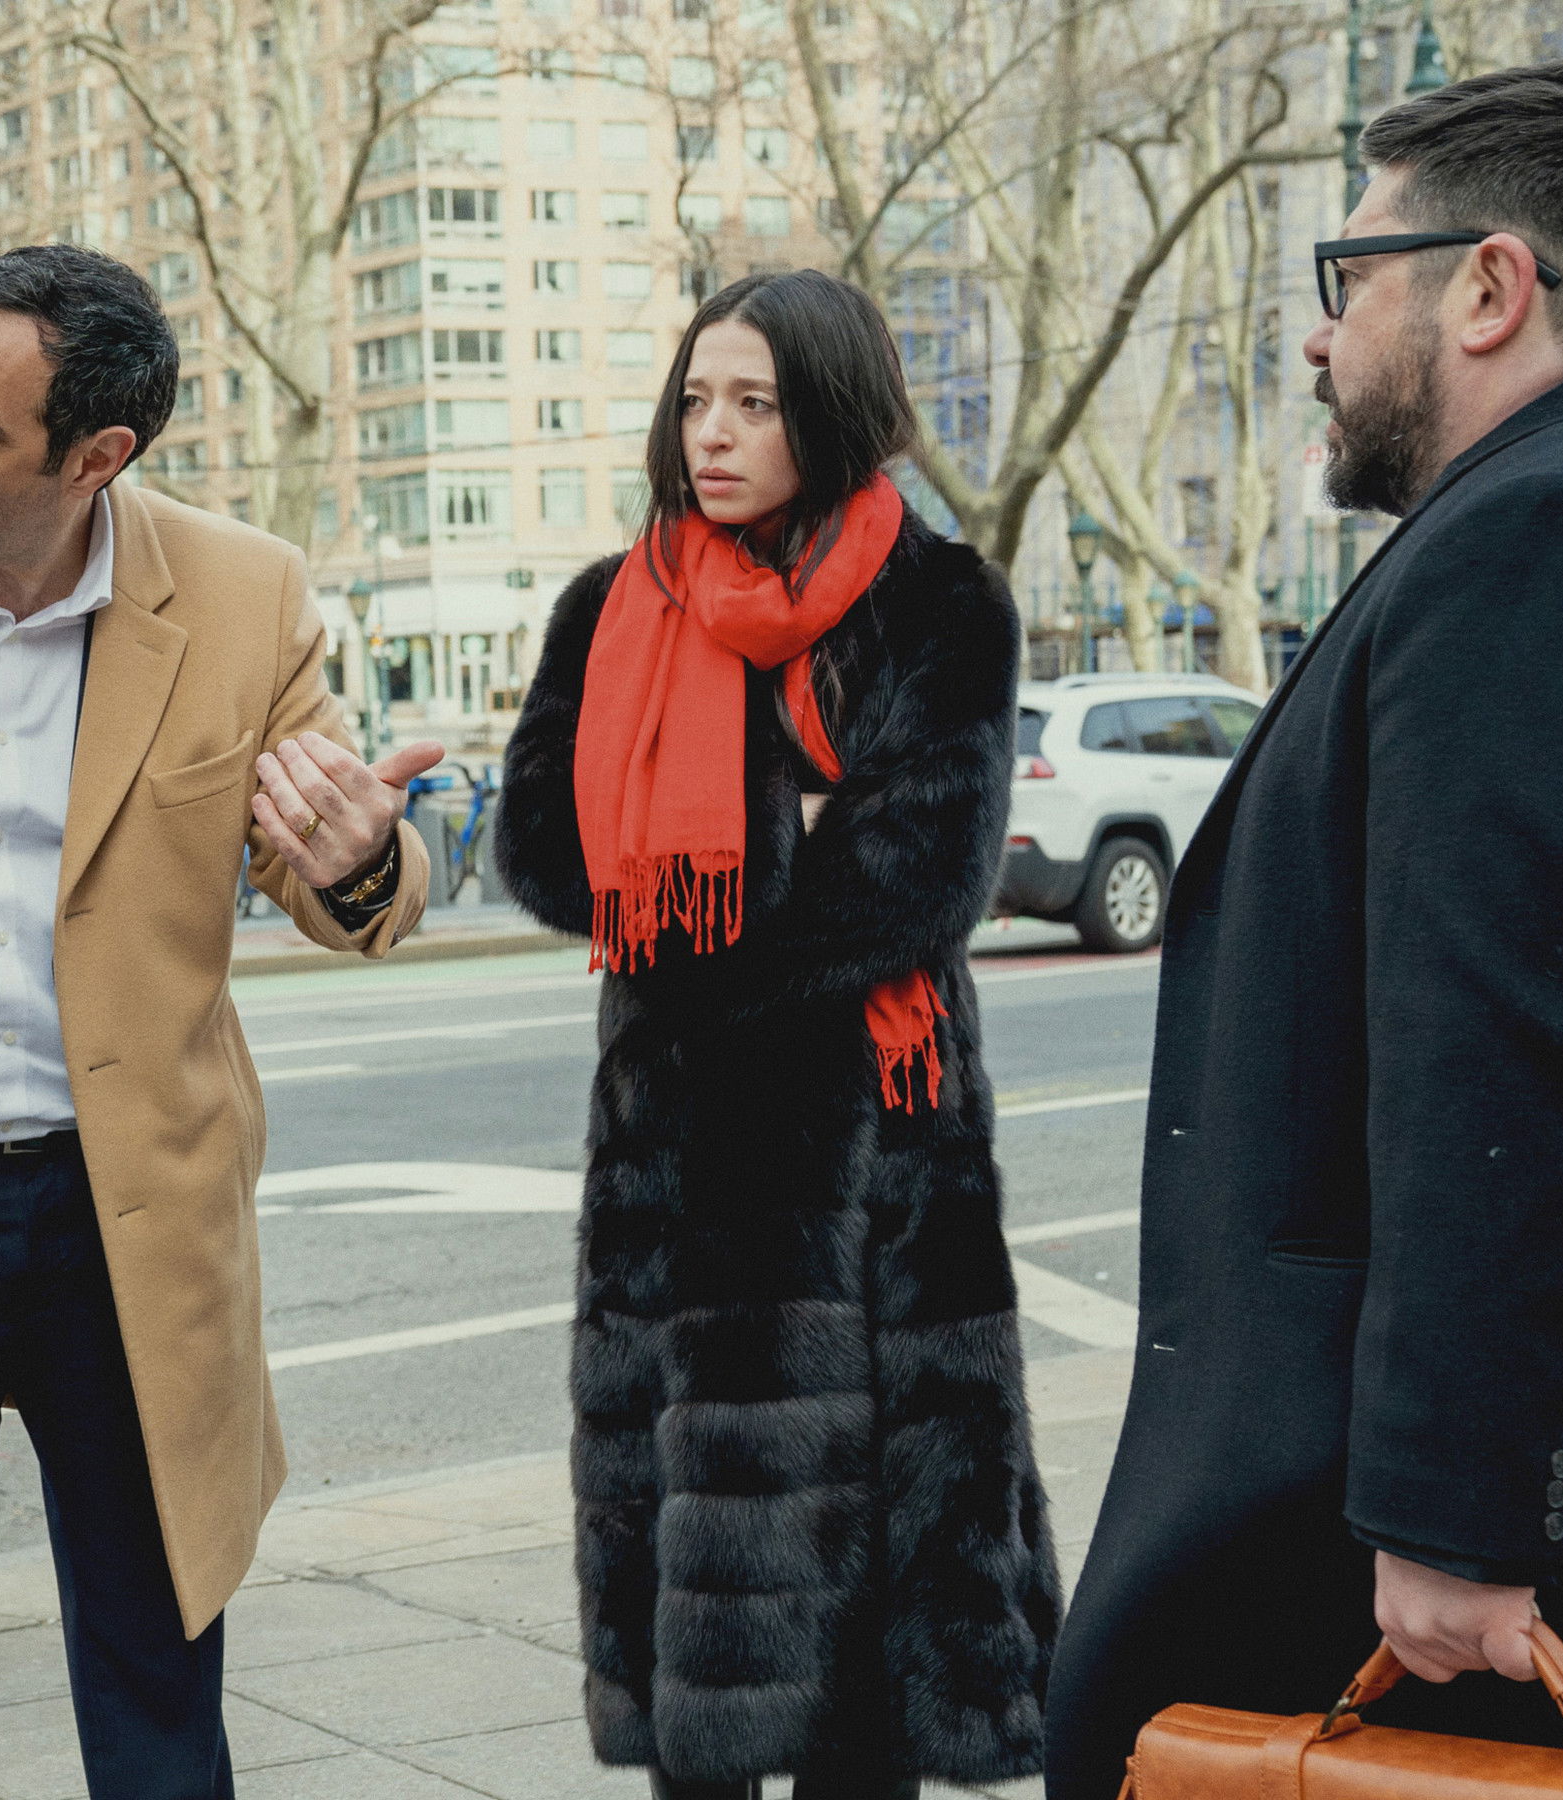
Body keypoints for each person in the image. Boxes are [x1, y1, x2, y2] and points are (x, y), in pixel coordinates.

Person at [1044, 60, 1563, 1790]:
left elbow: (1521, 1058)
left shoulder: (1548, 537)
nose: (1318, 337)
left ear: (1489, 289)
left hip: (1481, 1563)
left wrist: (1458, 1516)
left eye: (1349, 279)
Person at [0, 244, 434, 1799]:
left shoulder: (244, 594)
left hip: (133, 1226)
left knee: (158, 1693)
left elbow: (346, 876)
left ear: (95, 458)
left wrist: (361, 857)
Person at [493, 269, 1063, 1800]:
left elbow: (921, 874)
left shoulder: (940, 604)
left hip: (874, 1171)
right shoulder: (614, 606)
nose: (714, 435)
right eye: (696, 400)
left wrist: (701, 876)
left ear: (832, 411)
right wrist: (790, 825)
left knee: (865, 1648)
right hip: (672, 1179)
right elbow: (543, 847)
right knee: (699, 1642)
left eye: (754, 403)